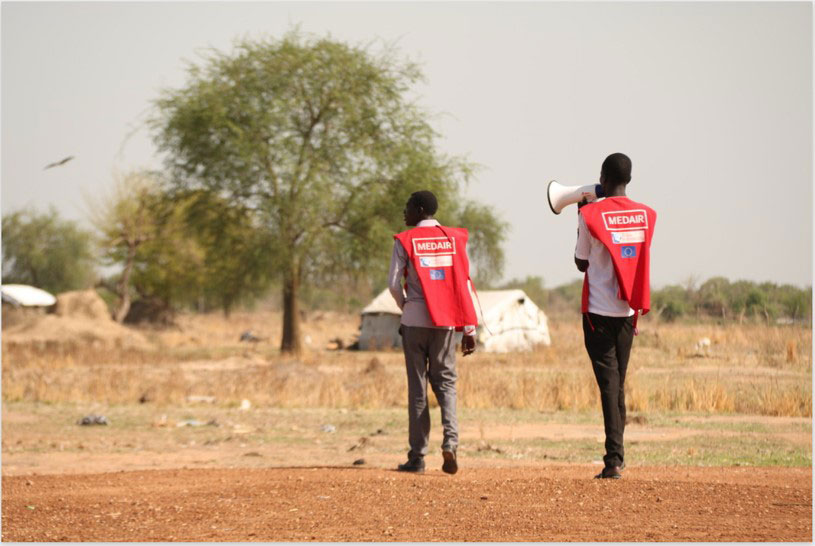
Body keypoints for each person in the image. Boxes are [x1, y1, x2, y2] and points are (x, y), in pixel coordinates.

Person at [574, 153, 657, 479]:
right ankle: (617, 455)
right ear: (629, 179)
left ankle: (613, 461)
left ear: (603, 179)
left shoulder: (590, 214)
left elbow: (582, 262)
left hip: (597, 311)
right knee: (617, 384)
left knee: (609, 386)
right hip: (627, 312)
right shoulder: (647, 215)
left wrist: (581, 216)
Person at [388, 190, 478, 475]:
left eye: (408, 208)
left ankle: (417, 457)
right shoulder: (454, 239)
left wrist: (408, 307)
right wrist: (469, 328)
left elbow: (392, 284)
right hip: (446, 324)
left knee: (418, 389)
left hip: (414, 322)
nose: (404, 213)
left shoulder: (405, 240)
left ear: (420, 209)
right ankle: (450, 442)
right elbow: (462, 283)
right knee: (447, 385)